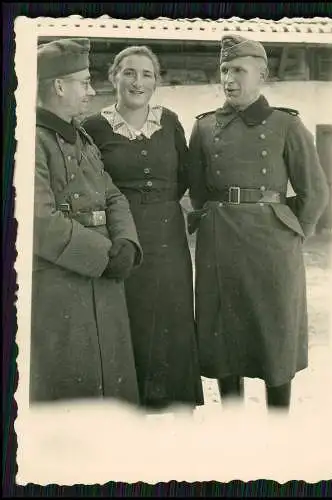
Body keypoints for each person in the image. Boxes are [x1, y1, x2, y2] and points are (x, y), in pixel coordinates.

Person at [187, 35, 330, 411]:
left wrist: (289, 233)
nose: (229, 78)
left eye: (239, 70)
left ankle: (278, 427)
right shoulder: (203, 127)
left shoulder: (285, 124)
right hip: (219, 244)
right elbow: (198, 192)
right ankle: (233, 426)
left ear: (262, 75)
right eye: (224, 70)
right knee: (223, 334)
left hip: (272, 245)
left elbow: (314, 191)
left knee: (275, 334)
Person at [82, 45, 204, 412]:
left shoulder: (169, 122)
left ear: (156, 82)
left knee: (173, 313)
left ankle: (176, 402)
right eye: (130, 73)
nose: (138, 81)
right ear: (114, 77)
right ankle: (133, 407)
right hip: (122, 235)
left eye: (147, 74)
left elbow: (185, 175)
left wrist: (162, 207)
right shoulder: (93, 126)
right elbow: (92, 185)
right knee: (127, 314)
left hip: (168, 235)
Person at [31, 38, 143, 405]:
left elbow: (112, 194)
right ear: (59, 86)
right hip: (62, 283)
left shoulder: (80, 137)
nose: (91, 91)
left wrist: (126, 241)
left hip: (103, 279)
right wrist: (102, 255)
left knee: (111, 385)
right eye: (83, 82)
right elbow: (39, 220)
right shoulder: (30, 140)